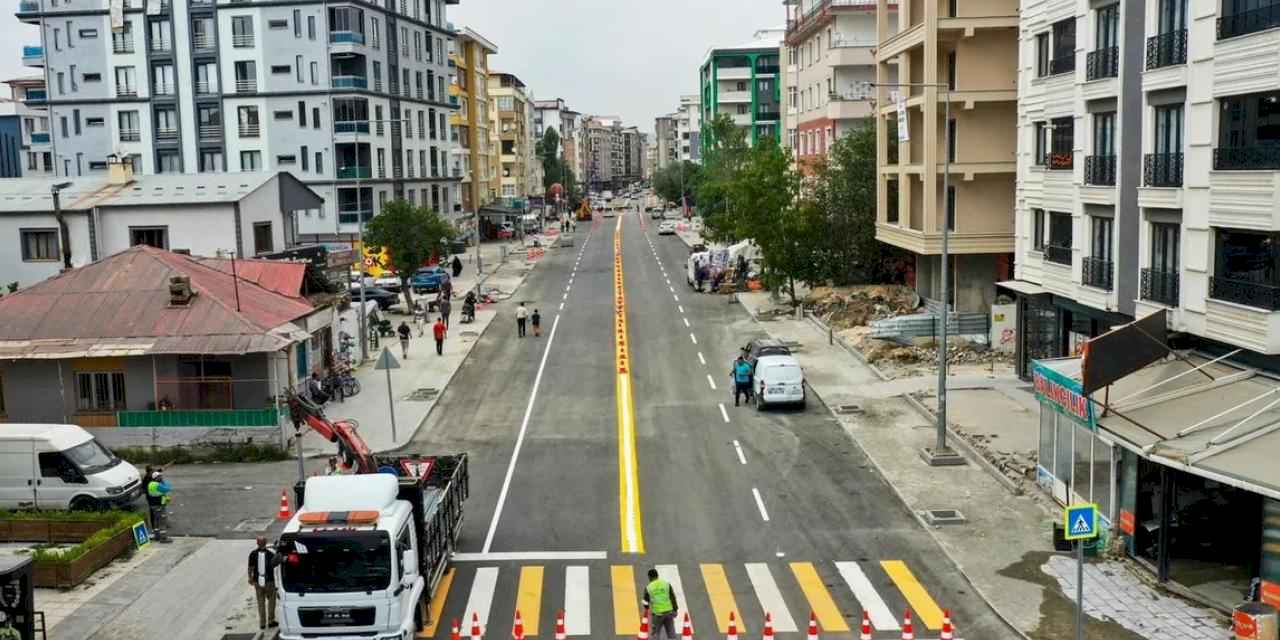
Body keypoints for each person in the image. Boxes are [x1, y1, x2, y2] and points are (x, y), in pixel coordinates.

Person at [247, 536, 278, 630]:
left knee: (261, 602)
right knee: (271, 601)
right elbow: (276, 567)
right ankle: (271, 621)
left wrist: (250, 578)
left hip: (257, 581)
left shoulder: (253, 554)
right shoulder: (271, 554)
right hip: (269, 582)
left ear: (257, 543)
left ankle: (262, 623)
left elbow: (250, 568)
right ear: (266, 542)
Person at [642, 568, 679, 640]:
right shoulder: (666, 584)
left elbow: (645, 602)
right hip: (669, 612)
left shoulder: (648, 588)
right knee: (671, 634)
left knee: (655, 633)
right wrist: (675, 610)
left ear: (649, 577)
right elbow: (672, 597)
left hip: (657, 614)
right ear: (657, 575)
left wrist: (647, 608)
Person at [146, 470, 172, 542]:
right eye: (160, 476)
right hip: (159, 505)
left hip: (153, 505)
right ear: (156, 478)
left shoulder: (150, 484)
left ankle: (157, 536)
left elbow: (158, 493)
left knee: (156, 521)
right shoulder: (157, 485)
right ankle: (164, 538)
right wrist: (163, 481)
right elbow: (167, 488)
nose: (161, 477)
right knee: (162, 521)